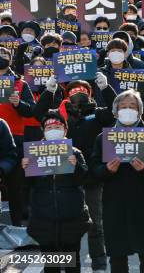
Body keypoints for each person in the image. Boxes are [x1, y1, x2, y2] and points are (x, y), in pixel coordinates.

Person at [36, 77, 116, 272]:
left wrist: (105, 88)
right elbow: (38, 114)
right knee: (64, 227)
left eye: (82, 90)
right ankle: (65, 264)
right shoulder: (59, 115)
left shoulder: (97, 114)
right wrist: (49, 91)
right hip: (65, 179)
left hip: (91, 177)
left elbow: (114, 113)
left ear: (89, 93)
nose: (77, 93)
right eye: (72, 90)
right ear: (67, 95)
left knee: (95, 223)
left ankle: (98, 261)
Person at [90, 90, 144, 273]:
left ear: (140, 111)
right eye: (123, 107)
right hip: (114, 204)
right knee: (117, 258)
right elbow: (94, 169)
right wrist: (107, 169)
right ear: (115, 111)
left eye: (132, 107)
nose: (127, 110)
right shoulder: (104, 138)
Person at [24, 112, 91, 273]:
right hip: (44, 219)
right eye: (49, 127)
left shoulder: (74, 152)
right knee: (51, 264)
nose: (53, 129)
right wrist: (24, 170)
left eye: (57, 127)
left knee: (71, 263)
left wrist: (76, 168)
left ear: (65, 130)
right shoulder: (33, 153)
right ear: (43, 130)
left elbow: (84, 180)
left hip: (71, 218)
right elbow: (26, 186)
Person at [0, 46, 35, 226]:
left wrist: (18, 103)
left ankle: (16, 225)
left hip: (15, 139)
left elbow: (32, 110)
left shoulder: (21, 83)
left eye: (5, 54)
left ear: (11, 59)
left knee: (16, 186)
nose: (1, 57)